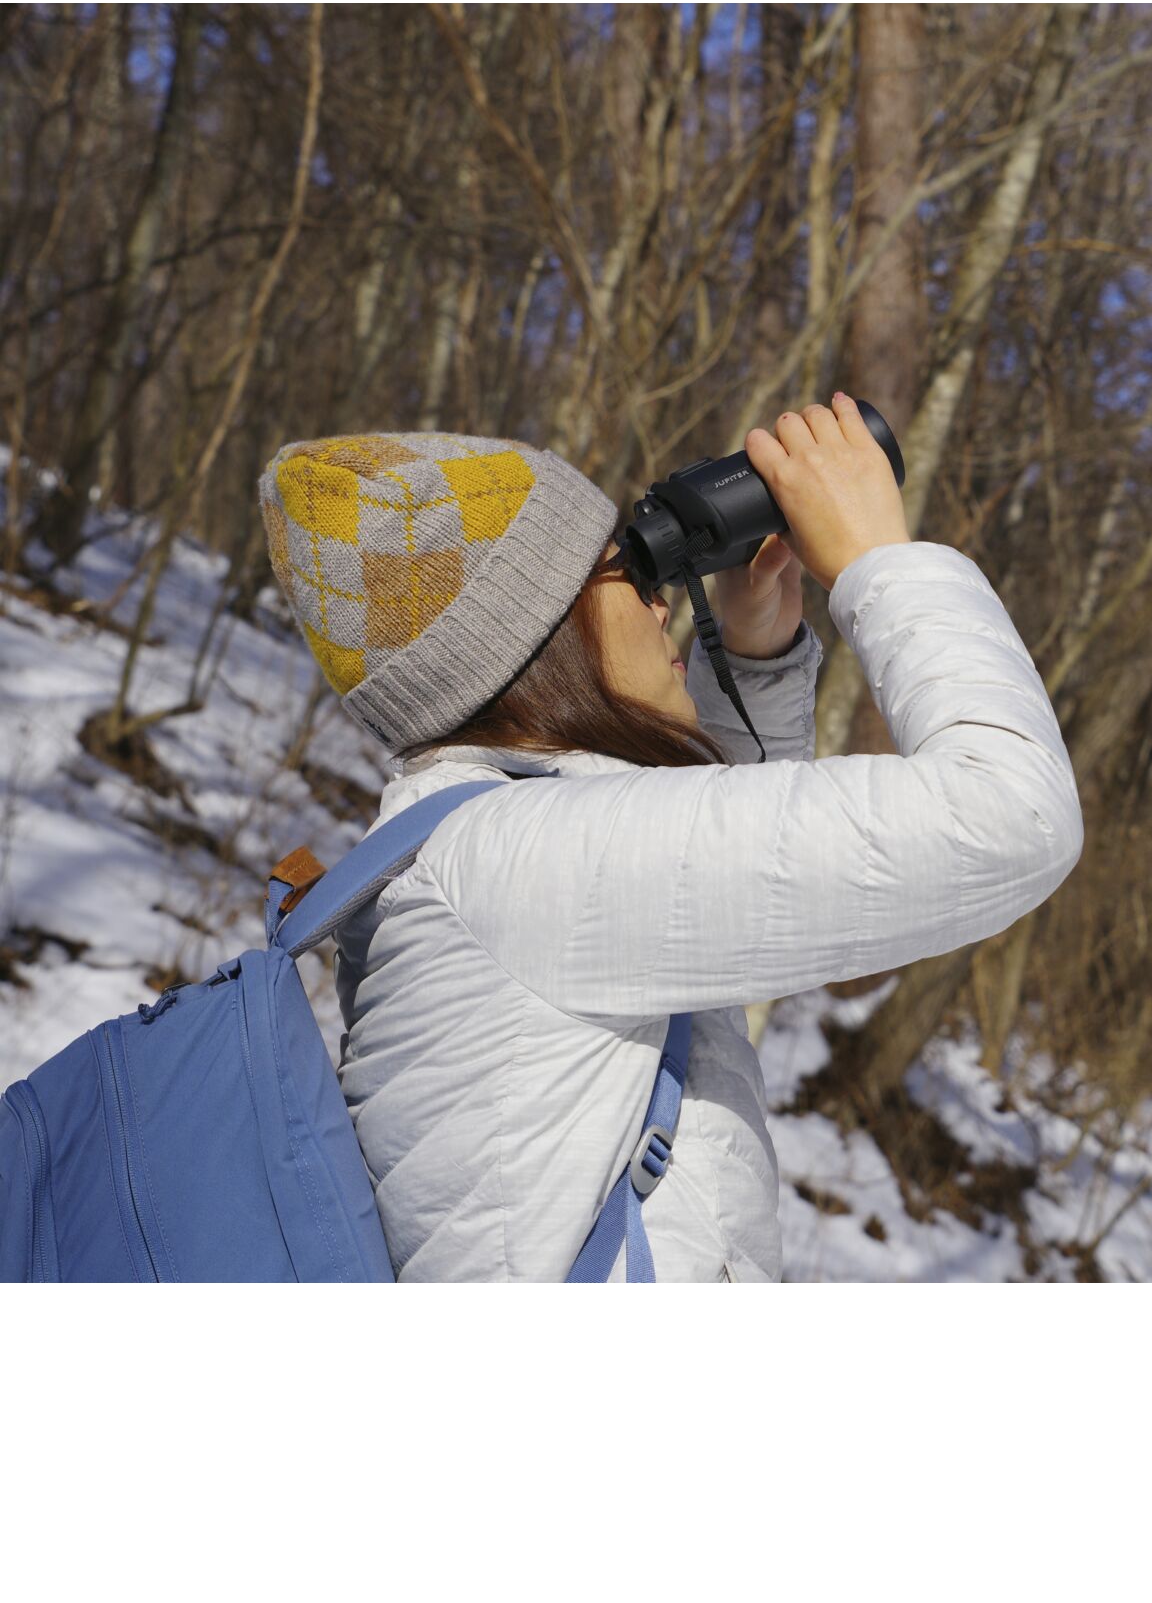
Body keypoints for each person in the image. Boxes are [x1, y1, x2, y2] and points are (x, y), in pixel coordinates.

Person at [256, 394, 1084, 1280]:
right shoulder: (525, 860)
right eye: (629, 575)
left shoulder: (481, 843)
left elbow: (741, 898)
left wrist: (756, 657)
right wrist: (881, 560)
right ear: (536, 640)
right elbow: (1010, 815)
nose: (661, 609)